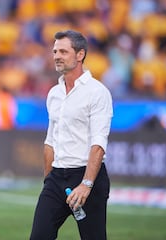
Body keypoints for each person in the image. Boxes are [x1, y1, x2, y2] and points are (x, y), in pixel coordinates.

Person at [30, 30, 113, 240]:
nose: (57, 55)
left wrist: (86, 185)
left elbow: (98, 143)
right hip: (56, 178)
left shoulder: (97, 92)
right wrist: (49, 180)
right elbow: (50, 141)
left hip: (86, 177)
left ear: (80, 55)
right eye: (55, 51)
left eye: (63, 51)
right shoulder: (54, 93)